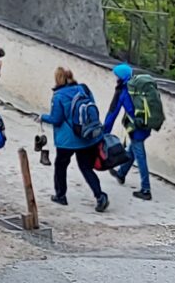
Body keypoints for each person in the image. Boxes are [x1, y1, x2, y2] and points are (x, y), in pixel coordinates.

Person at [43, 65, 110, 211]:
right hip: (88, 136)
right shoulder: (84, 89)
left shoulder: (58, 96)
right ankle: (100, 196)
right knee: (86, 168)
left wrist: (42, 117)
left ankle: (61, 195)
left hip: (67, 141)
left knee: (61, 166)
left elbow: (56, 119)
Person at [113, 62, 164, 200]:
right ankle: (121, 173)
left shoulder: (127, 91)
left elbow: (117, 112)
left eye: (116, 75)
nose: (115, 78)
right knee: (132, 150)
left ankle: (146, 189)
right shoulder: (139, 87)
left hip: (137, 127)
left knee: (140, 156)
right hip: (146, 125)